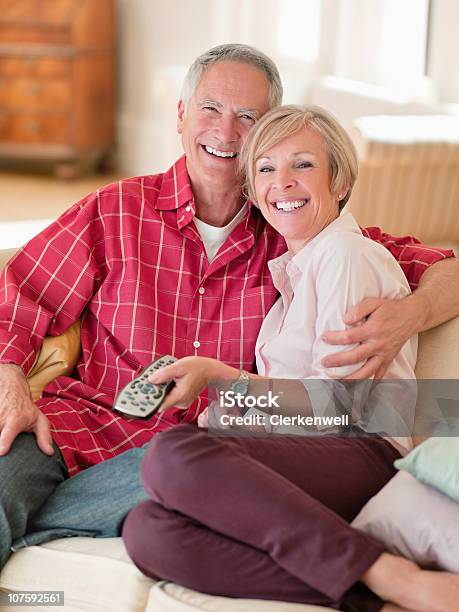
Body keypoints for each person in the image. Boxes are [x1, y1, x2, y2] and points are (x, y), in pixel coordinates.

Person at [0, 44, 458, 572]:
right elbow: (19, 297)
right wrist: (11, 387)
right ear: (181, 115)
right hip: (77, 426)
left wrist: (411, 315)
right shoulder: (115, 209)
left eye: (249, 118)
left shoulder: (300, 229)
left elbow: (446, 269)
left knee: (173, 487)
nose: (226, 132)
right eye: (210, 109)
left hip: (202, 454)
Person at [122, 105, 459, 612]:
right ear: (254, 194)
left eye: (302, 165)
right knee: (149, 531)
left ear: (340, 182)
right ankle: (376, 597)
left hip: (361, 451)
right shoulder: (294, 274)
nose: (282, 182)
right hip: (308, 454)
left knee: (173, 454)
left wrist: (229, 386)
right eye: (265, 169)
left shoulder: (347, 257)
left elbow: (342, 410)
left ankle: (393, 575)